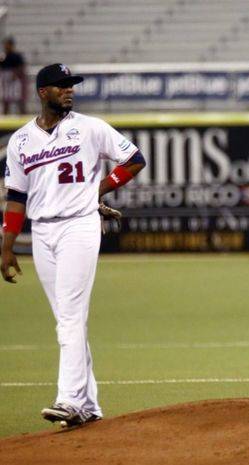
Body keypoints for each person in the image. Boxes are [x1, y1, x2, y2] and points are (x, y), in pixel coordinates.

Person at [1, 63, 146, 426]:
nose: (69, 90)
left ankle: (68, 399)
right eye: (61, 85)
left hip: (79, 227)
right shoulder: (20, 141)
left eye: (71, 85)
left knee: (68, 316)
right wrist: (6, 246)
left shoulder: (89, 127)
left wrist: (101, 187)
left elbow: (134, 159)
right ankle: (89, 405)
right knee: (68, 319)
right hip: (42, 234)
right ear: (42, 92)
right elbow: (16, 197)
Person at [0, 37, 27, 114]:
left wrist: (16, 74)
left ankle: (23, 117)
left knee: (19, 99)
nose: (5, 46)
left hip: (15, 80)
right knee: (6, 100)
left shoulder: (16, 56)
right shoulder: (3, 56)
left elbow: (21, 66)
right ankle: (5, 118)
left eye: (7, 44)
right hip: (5, 80)